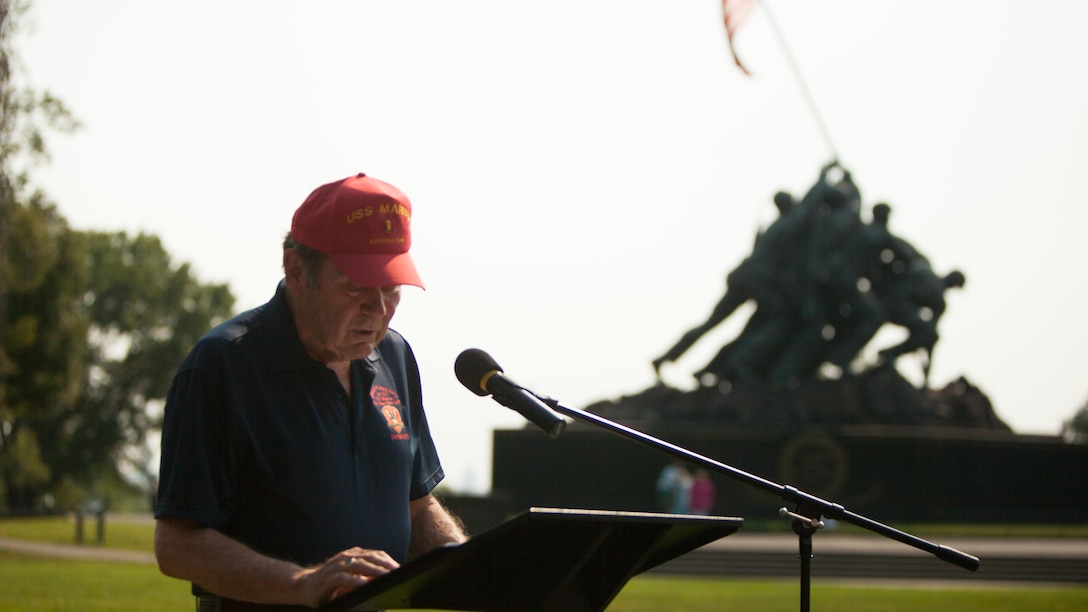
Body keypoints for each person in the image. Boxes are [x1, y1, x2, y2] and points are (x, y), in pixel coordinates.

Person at [154, 173, 468, 610]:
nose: (377, 311)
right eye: (355, 286)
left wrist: (472, 567)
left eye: (390, 288)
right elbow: (177, 544)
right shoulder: (221, 368)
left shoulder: (395, 356)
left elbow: (415, 507)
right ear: (296, 270)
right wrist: (304, 583)